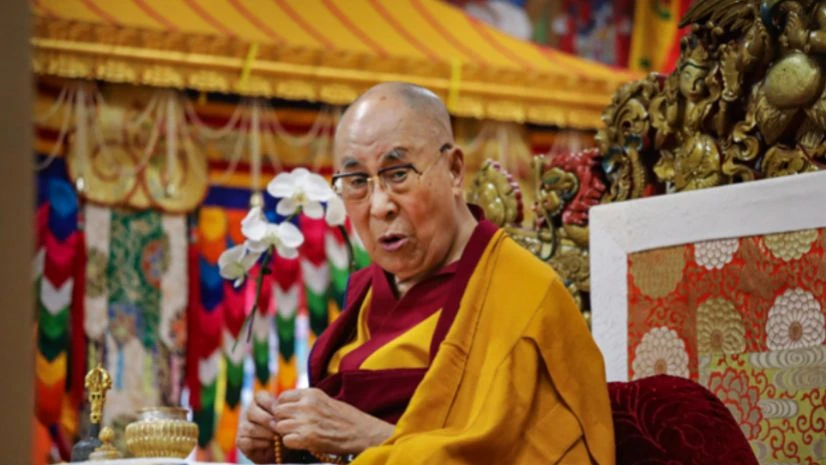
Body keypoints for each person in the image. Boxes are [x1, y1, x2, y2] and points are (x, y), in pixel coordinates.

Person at [236, 82, 615, 464]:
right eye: (357, 182)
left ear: (454, 170)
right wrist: (287, 446)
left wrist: (373, 438)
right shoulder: (366, 297)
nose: (379, 205)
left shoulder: (528, 297)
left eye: (398, 173)